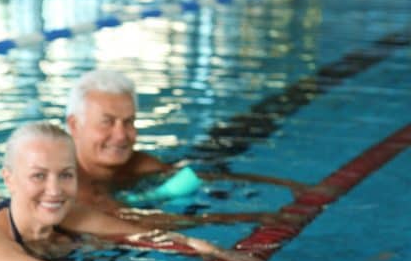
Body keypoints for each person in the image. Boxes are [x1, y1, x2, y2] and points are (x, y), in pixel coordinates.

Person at [0, 121, 258, 261]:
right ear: (10, 179)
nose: (55, 190)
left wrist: (201, 247)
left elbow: (140, 233)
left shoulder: (68, 214)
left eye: (66, 175)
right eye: (39, 176)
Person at [64, 68, 307, 228]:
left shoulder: (137, 164)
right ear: (74, 125)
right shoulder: (70, 184)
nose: (121, 136)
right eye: (107, 122)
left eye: (129, 122)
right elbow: (133, 222)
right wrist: (250, 218)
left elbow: (201, 177)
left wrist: (288, 186)